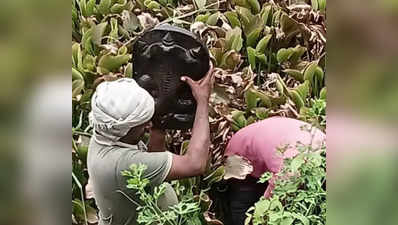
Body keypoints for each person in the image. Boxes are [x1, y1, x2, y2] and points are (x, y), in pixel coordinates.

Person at [87, 63, 214, 225]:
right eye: (143, 123)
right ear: (124, 130)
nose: (148, 125)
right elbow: (195, 164)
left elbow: (152, 154)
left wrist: (159, 127)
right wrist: (202, 101)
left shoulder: (105, 132)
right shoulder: (121, 163)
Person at [223, 117, 326, 225]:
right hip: (242, 151)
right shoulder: (294, 165)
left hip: (271, 136)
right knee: (244, 204)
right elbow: (272, 201)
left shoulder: (323, 150)